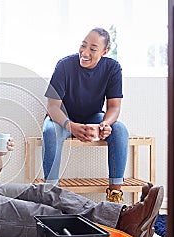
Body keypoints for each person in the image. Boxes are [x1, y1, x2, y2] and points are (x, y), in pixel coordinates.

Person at [0, 64, 163, 237]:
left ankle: (122, 216)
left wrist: (0, 155)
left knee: (46, 192)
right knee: (42, 213)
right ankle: (122, 228)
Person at [42, 27, 129, 203]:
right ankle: (51, 195)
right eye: (83, 45)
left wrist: (104, 124)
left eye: (93, 49)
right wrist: (70, 125)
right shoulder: (64, 65)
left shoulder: (113, 68)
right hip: (61, 118)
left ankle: (114, 196)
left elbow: (114, 107)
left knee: (119, 130)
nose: (85, 52)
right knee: (50, 132)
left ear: (104, 52)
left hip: (92, 117)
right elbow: (52, 107)